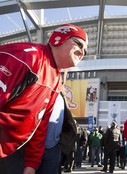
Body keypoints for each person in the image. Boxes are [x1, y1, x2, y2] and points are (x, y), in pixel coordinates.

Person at [0, 23, 88, 174]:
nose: (82, 52)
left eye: (85, 51)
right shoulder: (27, 57)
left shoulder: (56, 80)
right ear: (58, 38)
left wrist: (31, 164)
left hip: (14, 152)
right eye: (78, 43)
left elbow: (39, 125)